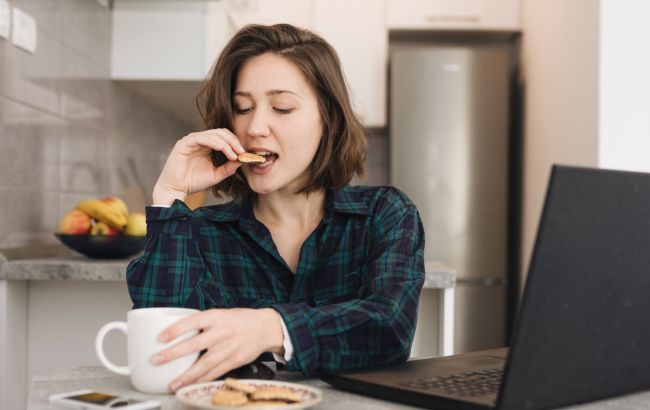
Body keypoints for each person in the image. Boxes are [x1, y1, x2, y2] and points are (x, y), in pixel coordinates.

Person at [126, 23, 425, 392]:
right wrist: (169, 194)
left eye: (281, 107)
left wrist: (272, 327)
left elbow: (390, 327)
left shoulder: (385, 214)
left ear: (328, 119)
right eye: (243, 108)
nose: (255, 126)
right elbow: (165, 348)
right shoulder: (201, 232)